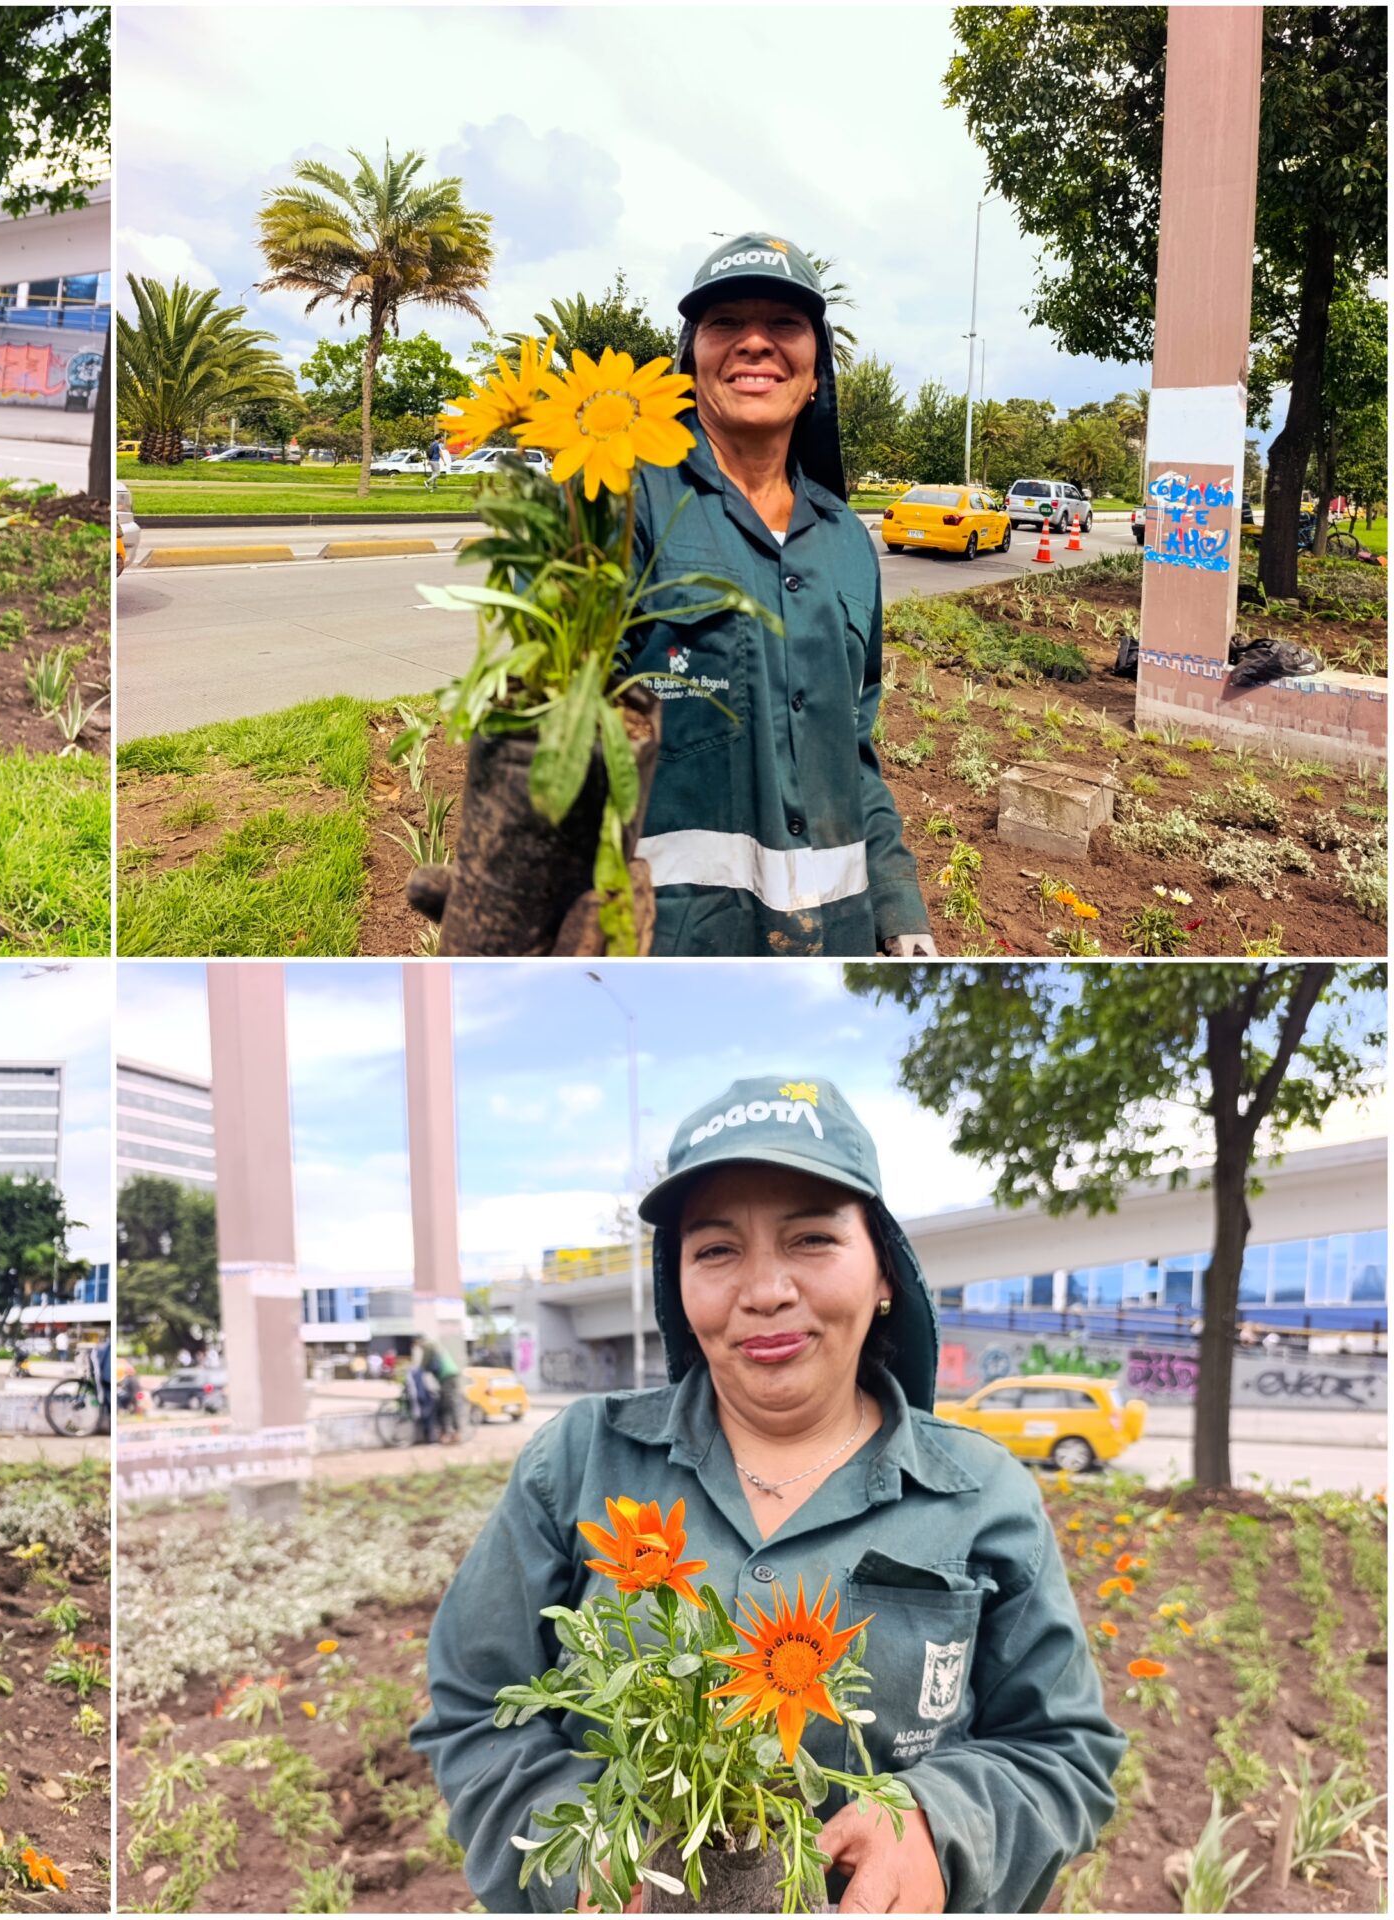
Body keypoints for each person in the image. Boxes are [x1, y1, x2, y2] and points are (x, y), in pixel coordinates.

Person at [413, 1075, 1120, 1913]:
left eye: (812, 1239)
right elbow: (474, 1712)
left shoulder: (980, 1491)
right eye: (716, 1250)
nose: (765, 1290)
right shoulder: (581, 1461)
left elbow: (1063, 1748)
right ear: (676, 1282)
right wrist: (589, 1859)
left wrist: (941, 1824)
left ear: (885, 1271)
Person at [624, 234, 933, 957]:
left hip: (836, 942)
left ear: (817, 372)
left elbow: (852, 750)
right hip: (672, 944)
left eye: (785, 325)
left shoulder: (848, 542)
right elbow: (552, 734)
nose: (755, 343)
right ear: (690, 360)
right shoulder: (626, 506)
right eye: (725, 323)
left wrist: (899, 909)